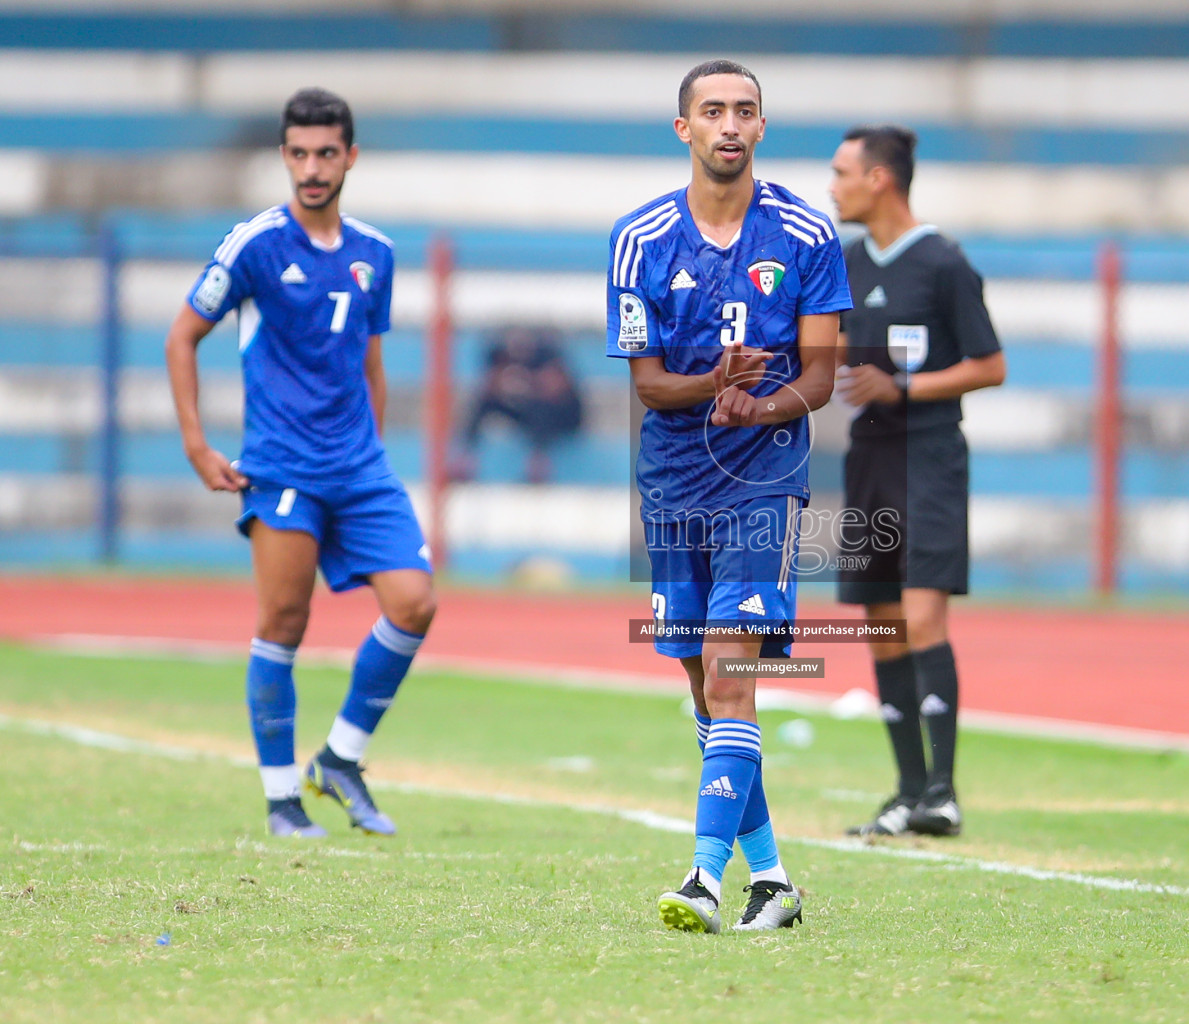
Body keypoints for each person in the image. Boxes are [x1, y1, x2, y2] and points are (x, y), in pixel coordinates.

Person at [607, 59, 850, 932]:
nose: (730, 125)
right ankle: (775, 882)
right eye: (713, 111)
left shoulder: (806, 235)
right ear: (685, 129)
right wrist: (715, 382)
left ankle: (704, 882)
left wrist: (763, 403)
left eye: (745, 110)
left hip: (765, 482)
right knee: (707, 692)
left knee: (729, 671)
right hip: (672, 485)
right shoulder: (638, 240)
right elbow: (647, 386)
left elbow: (821, 376)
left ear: (761, 125)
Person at [165, 88, 436, 839]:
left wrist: (371, 450)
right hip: (281, 466)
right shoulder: (254, 244)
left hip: (358, 467)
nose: (311, 168)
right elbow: (181, 336)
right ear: (284, 156)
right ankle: (282, 796)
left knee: (415, 601)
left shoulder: (374, 253)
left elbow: (370, 361)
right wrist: (197, 445)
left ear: (350, 156)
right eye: (298, 154)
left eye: (325, 153)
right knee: (284, 620)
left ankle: (341, 759)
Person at [828, 124, 1006, 839]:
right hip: (868, 461)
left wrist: (902, 386)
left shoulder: (943, 264)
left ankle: (943, 792)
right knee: (881, 627)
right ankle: (904, 792)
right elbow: (831, 353)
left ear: (880, 180)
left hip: (928, 458)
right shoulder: (843, 262)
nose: (832, 185)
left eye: (842, 172)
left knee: (925, 618)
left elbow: (990, 366)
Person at [456, 326, 584, 485]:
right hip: (522, 409)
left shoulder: (547, 354)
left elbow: (558, 388)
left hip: (559, 416)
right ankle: (465, 460)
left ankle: (538, 466)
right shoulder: (497, 354)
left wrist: (530, 383)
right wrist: (506, 383)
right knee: (483, 403)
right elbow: (488, 384)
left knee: (541, 409)